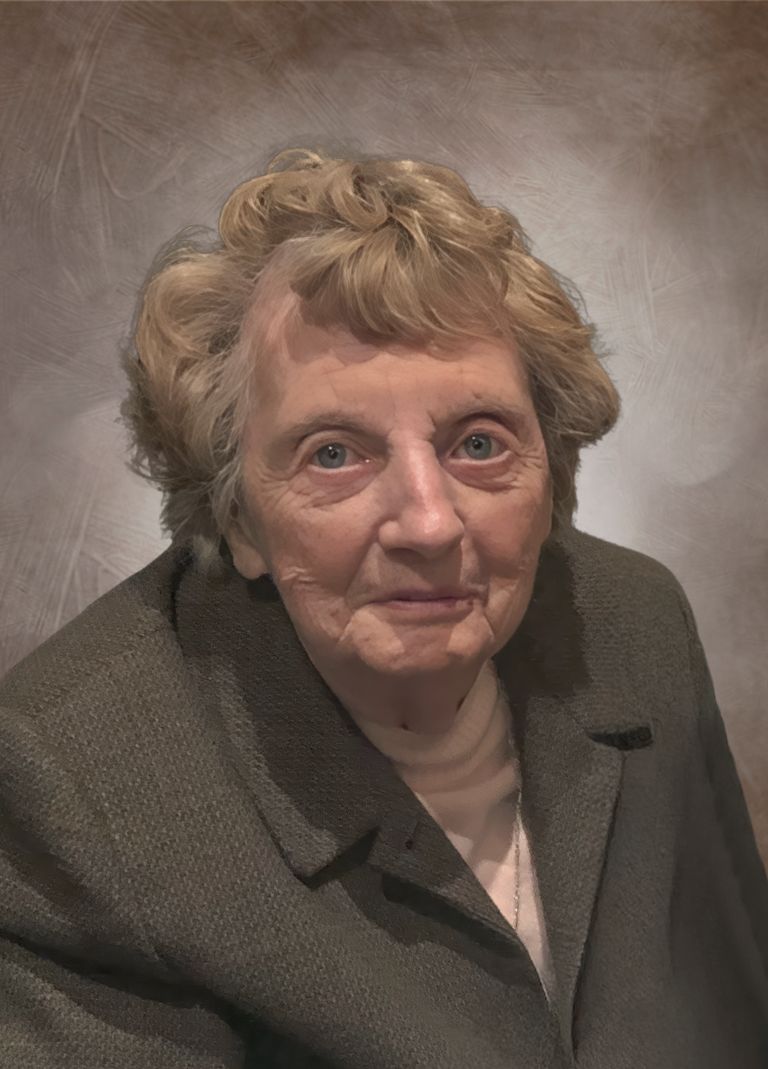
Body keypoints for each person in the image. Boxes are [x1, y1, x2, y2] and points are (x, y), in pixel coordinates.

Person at [1, 146, 766, 1069]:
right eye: (334, 453)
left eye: (478, 442)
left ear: (551, 467)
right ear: (237, 514)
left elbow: (734, 1008)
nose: (429, 522)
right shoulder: (75, 781)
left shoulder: (634, 622)